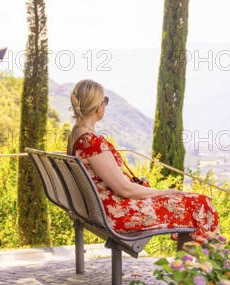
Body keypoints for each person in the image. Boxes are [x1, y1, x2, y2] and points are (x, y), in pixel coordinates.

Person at [66, 79, 220, 248]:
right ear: (98, 107)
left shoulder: (76, 135)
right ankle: (212, 266)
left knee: (193, 203)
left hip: (98, 210)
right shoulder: (92, 142)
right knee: (201, 203)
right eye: (105, 101)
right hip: (117, 214)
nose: (105, 105)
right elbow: (125, 189)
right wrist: (164, 192)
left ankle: (190, 268)